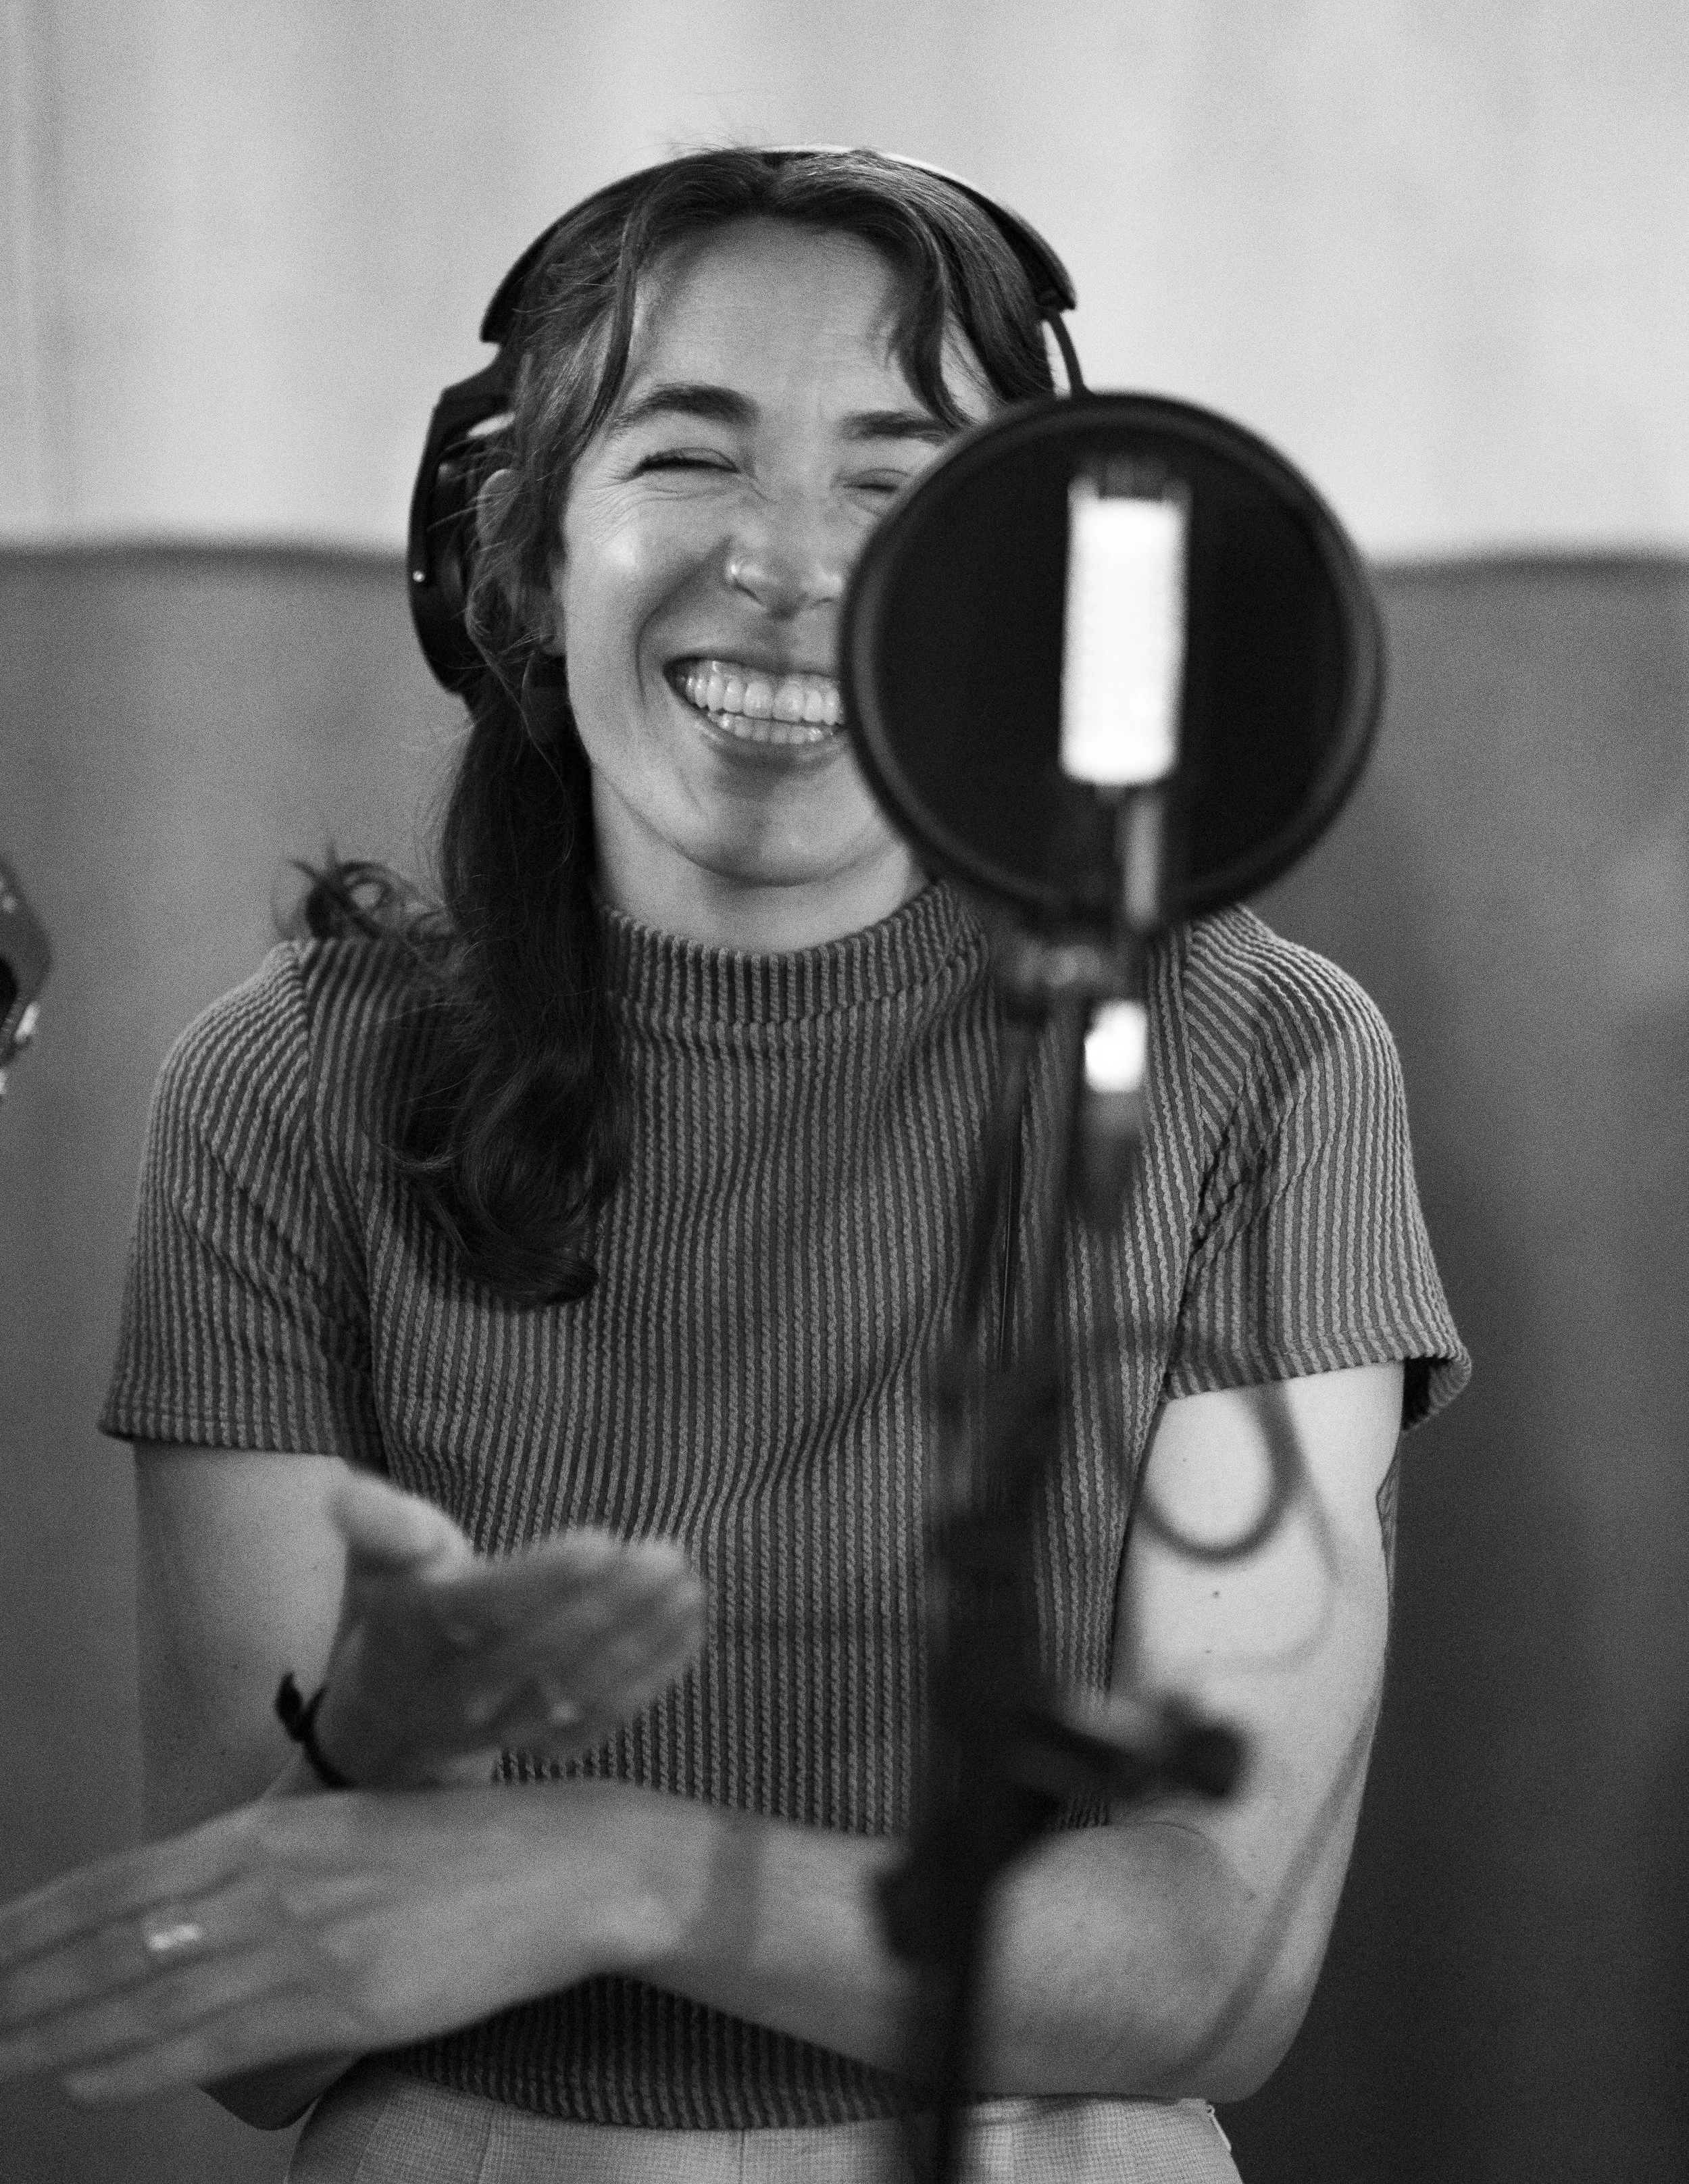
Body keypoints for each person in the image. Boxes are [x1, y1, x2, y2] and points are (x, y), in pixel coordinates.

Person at [0, 148, 1466, 2180]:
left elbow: (1203, 1960)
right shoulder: (281, 1087)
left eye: (894, 478)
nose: (788, 559)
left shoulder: (1262, 1057)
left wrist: (598, 1866)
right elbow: (245, 2034)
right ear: (510, 559)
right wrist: (376, 1748)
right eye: (688, 456)